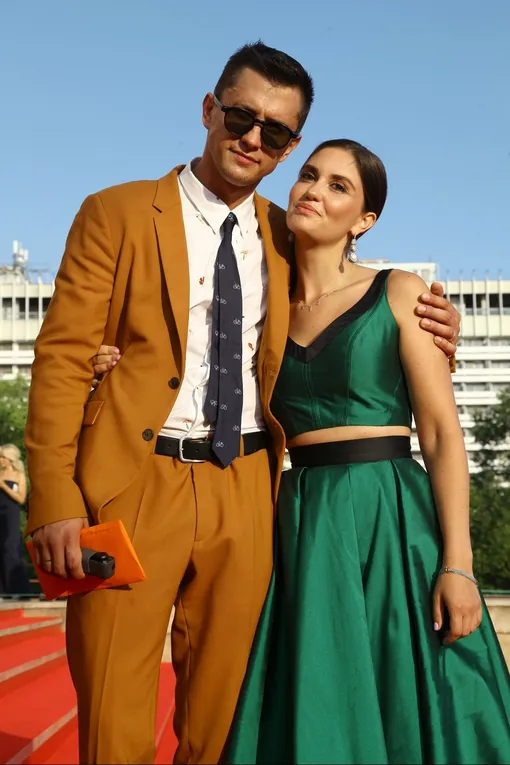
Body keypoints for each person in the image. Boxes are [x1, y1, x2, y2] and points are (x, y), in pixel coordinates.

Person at [25, 42, 460, 765]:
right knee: (114, 714)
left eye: (276, 132)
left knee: (228, 724)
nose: (254, 138)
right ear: (209, 109)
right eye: (240, 116)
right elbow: (63, 359)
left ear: (288, 147)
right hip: (132, 484)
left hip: (250, 489)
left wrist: (442, 326)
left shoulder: (291, 233)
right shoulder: (116, 212)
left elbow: (353, 307)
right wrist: (55, 499)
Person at [223, 140, 510, 764]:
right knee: (321, 694)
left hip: (391, 512)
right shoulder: (261, 310)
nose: (314, 191)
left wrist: (459, 565)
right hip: (301, 520)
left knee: (409, 690)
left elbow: (441, 433)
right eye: (309, 175)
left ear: (364, 220)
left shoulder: (400, 290)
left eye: (338, 186)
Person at [0, 444, 30, 595]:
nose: (0, 460)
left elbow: (21, 498)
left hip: (10, 514)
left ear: (10, 459)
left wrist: (3, 486)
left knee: (10, 547)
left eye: (2, 457)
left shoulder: (19, 475)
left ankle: (18, 589)